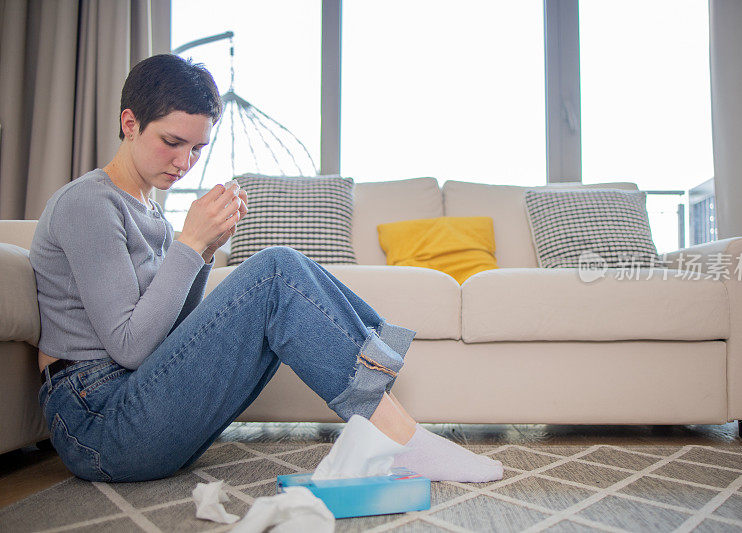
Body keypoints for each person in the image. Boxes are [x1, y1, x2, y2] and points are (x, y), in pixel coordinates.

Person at [28, 54, 503, 483]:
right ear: (129, 123)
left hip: (136, 403)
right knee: (275, 271)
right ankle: (401, 440)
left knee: (278, 275)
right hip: (99, 425)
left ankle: (392, 430)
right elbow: (130, 347)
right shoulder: (90, 203)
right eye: (172, 142)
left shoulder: (149, 211)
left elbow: (169, 332)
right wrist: (191, 243)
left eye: (196, 148)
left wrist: (205, 250)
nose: (183, 163)